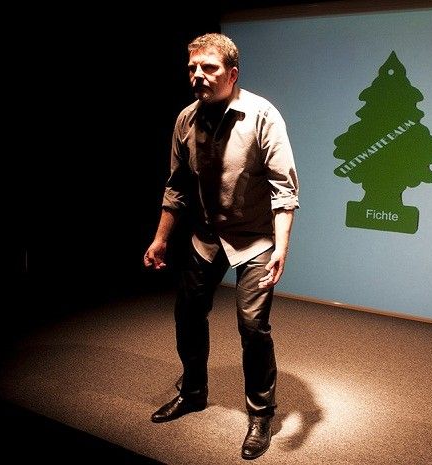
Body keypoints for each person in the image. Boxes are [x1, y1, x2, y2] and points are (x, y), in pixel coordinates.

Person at [143, 32, 299, 460]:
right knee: (188, 313)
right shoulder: (185, 120)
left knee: (252, 325)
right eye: (192, 67)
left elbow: (285, 190)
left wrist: (281, 248)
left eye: (208, 67)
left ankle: (261, 415)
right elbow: (177, 186)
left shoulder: (262, 115)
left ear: (232, 74)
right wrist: (160, 239)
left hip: (256, 239)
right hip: (206, 236)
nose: (198, 75)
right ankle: (193, 392)